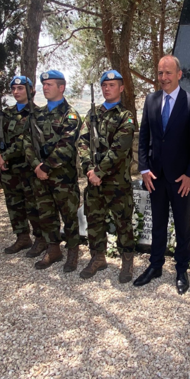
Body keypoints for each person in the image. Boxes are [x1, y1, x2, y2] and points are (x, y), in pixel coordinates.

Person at [136, 55, 190, 294]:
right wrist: (144, 168)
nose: (163, 77)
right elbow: (144, 137)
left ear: (179, 74)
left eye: (168, 73)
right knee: (158, 223)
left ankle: (182, 270)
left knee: (183, 225)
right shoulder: (151, 100)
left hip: (180, 178)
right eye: (160, 73)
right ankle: (155, 266)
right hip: (155, 176)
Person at [78, 70, 136, 282]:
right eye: (105, 85)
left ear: (121, 88)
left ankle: (127, 261)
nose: (107, 88)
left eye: (112, 85)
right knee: (94, 221)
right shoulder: (92, 114)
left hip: (117, 183)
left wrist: (99, 172)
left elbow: (119, 149)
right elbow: (82, 142)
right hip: (94, 181)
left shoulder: (126, 117)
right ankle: (97, 257)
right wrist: (88, 169)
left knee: (123, 223)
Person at [23, 70, 81, 272]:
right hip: (40, 176)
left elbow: (67, 144)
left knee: (69, 216)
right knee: (46, 215)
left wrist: (46, 166)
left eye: (49, 84)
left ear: (61, 87)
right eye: (44, 84)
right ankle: (53, 249)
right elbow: (27, 142)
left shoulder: (70, 114)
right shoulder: (36, 115)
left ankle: (73, 252)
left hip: (63, 178)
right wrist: (36, 166)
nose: (45, 87)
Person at [0, 75, 45, 257]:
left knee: (33, 205)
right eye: (14, 89)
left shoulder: (37, 114)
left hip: (27, 168)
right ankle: (22, 237)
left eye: (21, 88)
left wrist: (5, 156)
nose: (16, 92)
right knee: (14, 204)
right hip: (8, 169)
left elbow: (25, 140)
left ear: (31, 91)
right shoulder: (6, 113)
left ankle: (40, 238)